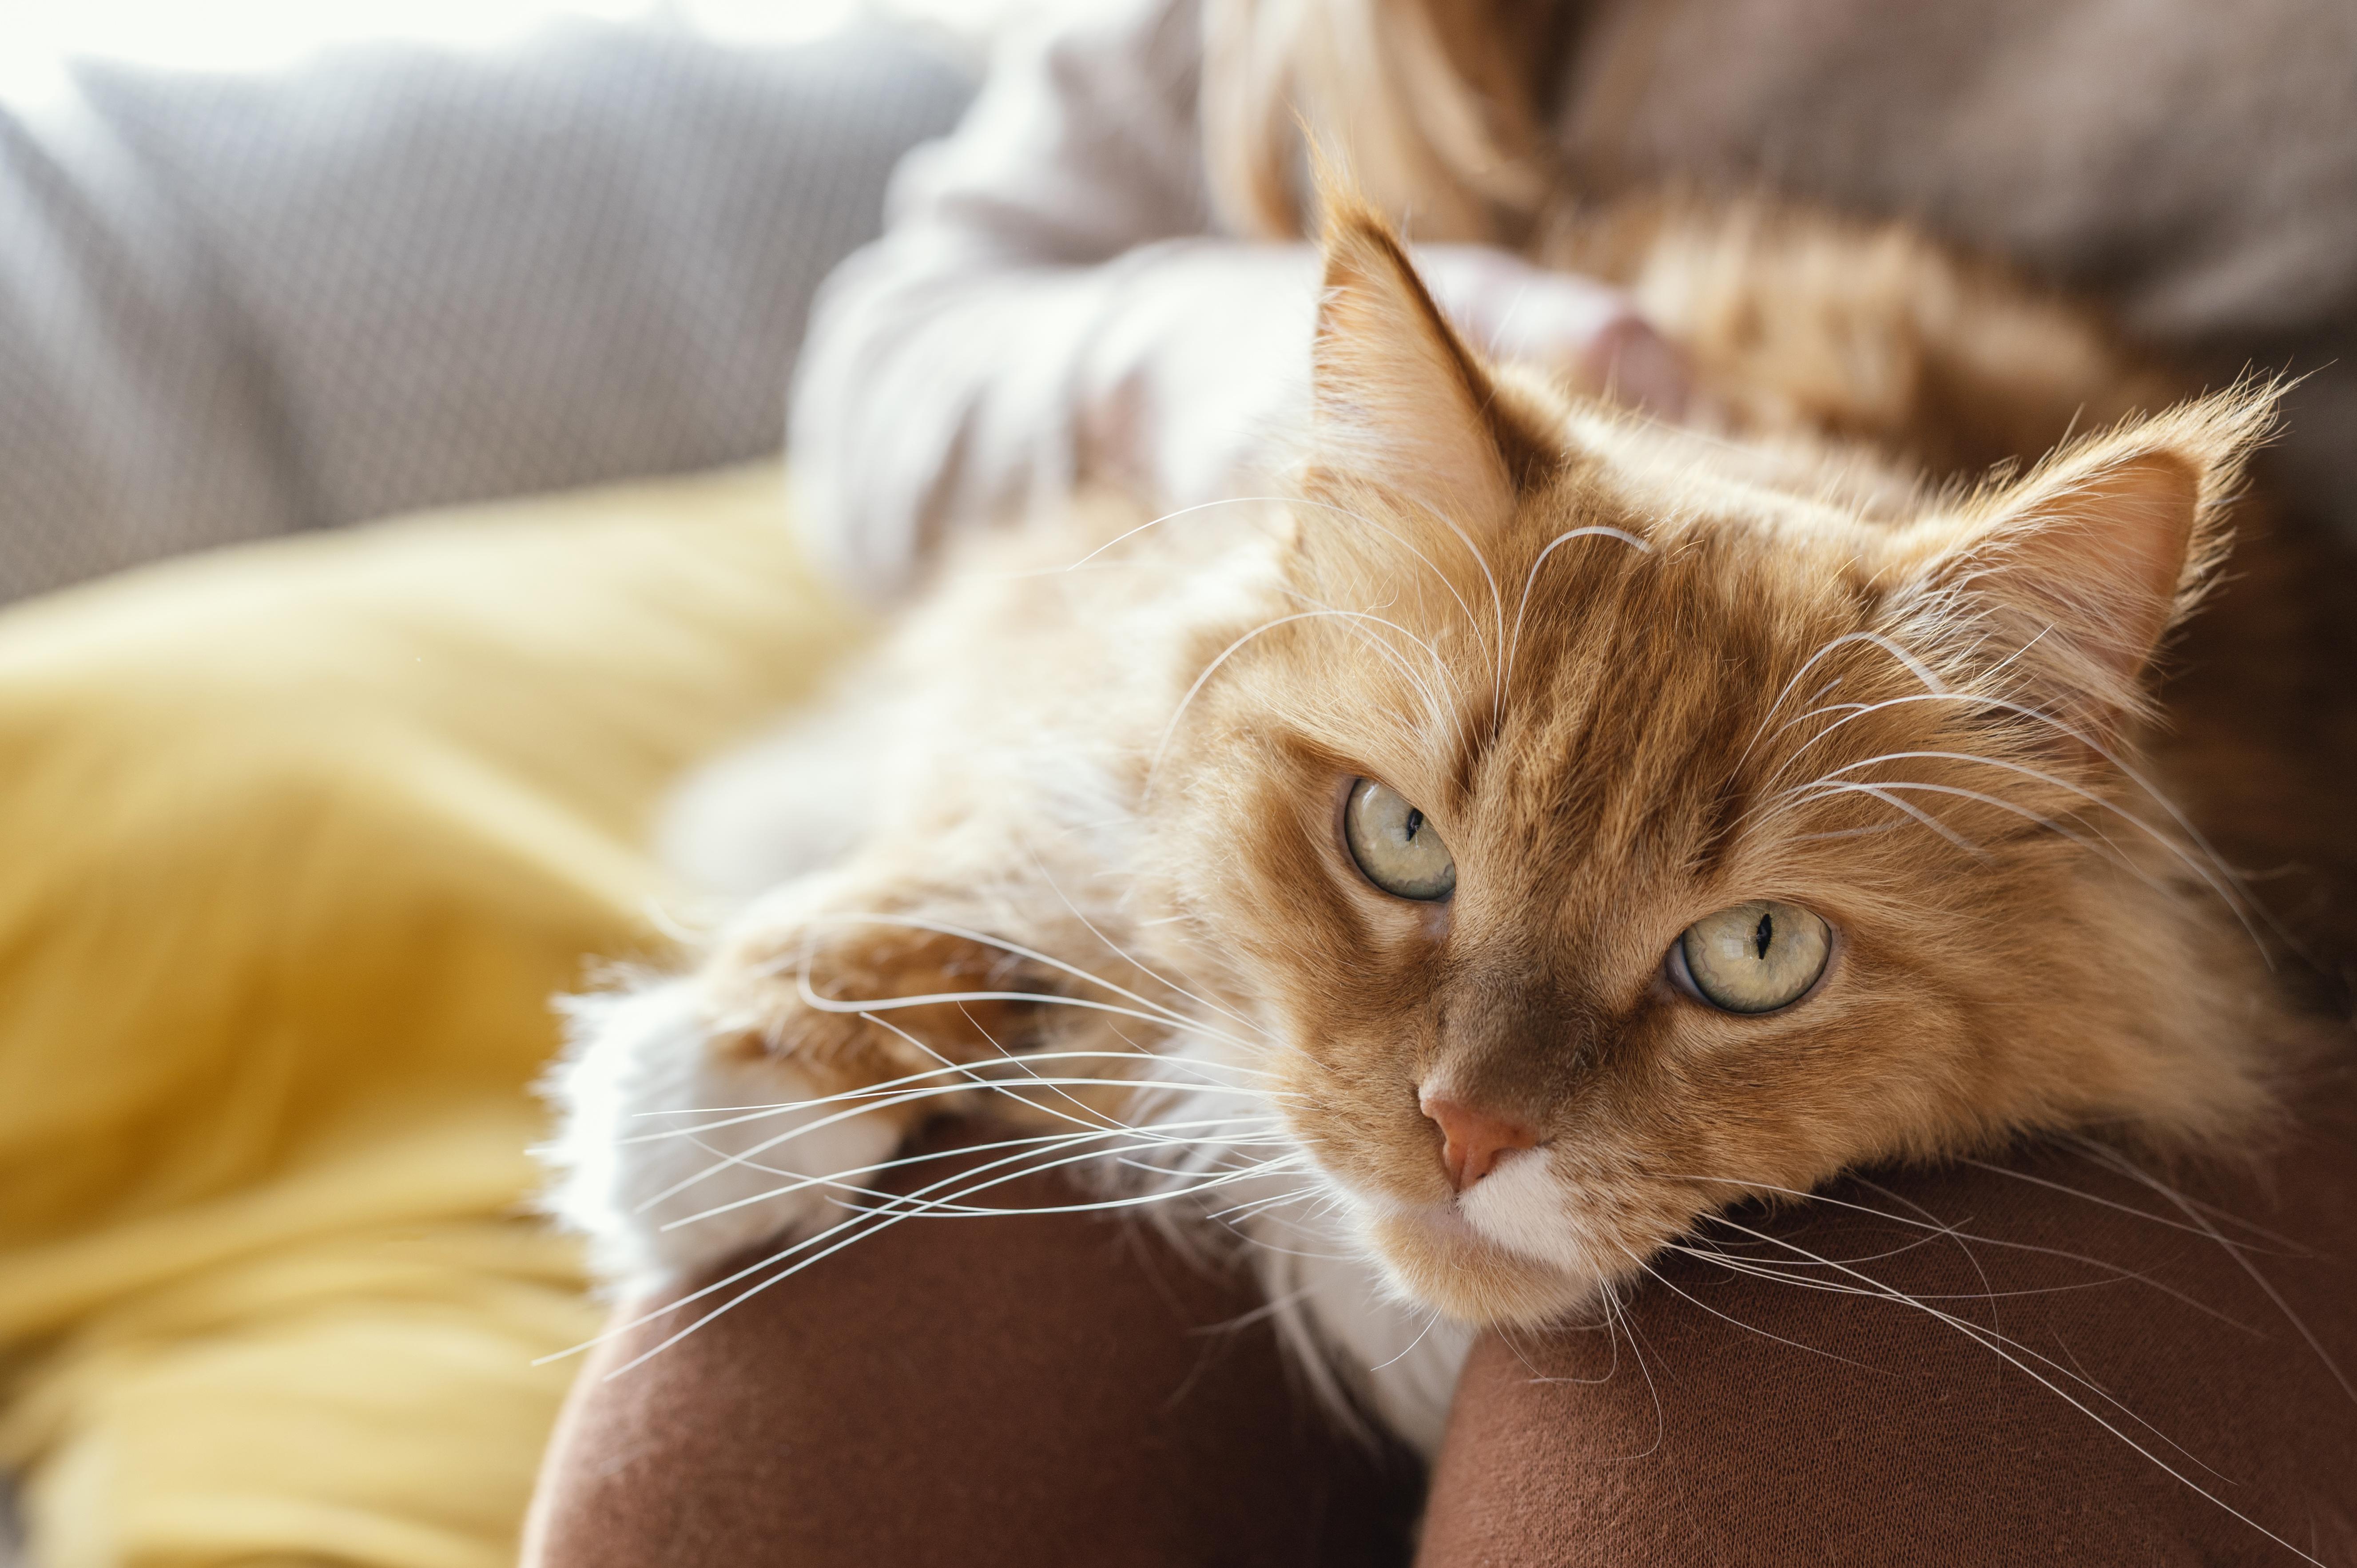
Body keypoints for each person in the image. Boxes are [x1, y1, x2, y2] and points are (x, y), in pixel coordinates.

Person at [529, 1, 2357, 1560]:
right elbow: (906, 356)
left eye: (1739, 955)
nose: (1477, 1107)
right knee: (749, 1464)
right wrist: (1262, 375)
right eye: (1404, 842)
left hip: (2165, 699)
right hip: (1493, 489)